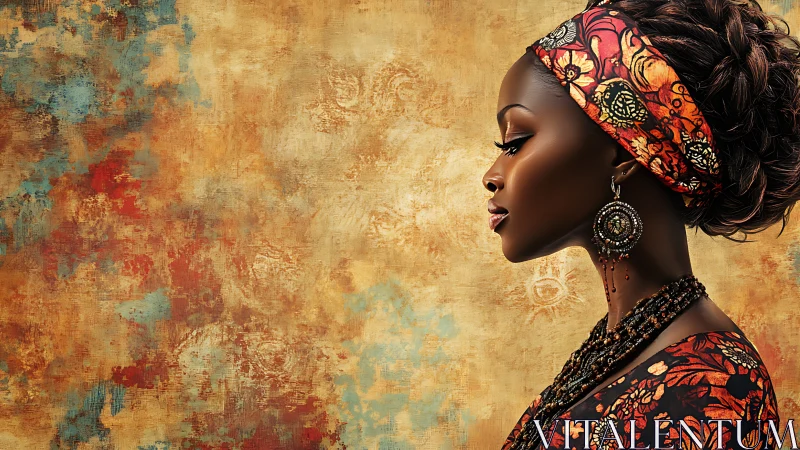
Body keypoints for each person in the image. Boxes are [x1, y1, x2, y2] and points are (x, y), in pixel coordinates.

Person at [482, 0, 800, 448]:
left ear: (623, 152)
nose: (492, 176)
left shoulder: (712, 388)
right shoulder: (620, 342)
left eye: (515, 141)